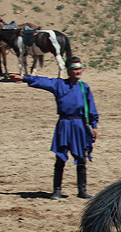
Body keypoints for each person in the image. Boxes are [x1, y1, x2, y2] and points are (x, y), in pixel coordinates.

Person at [10, 56, 99, 199]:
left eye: (79, 69)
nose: (78, 72)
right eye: (75, 69)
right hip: (64, 124)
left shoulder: (84, 87)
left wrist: (94, 126)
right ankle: (56, 190)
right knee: (60, 158)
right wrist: (23, 79)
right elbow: (42, 81)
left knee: (82, 158)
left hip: (79, 125)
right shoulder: (58, 84)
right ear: (69, 71)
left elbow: (91, 108)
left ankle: (82, 190)